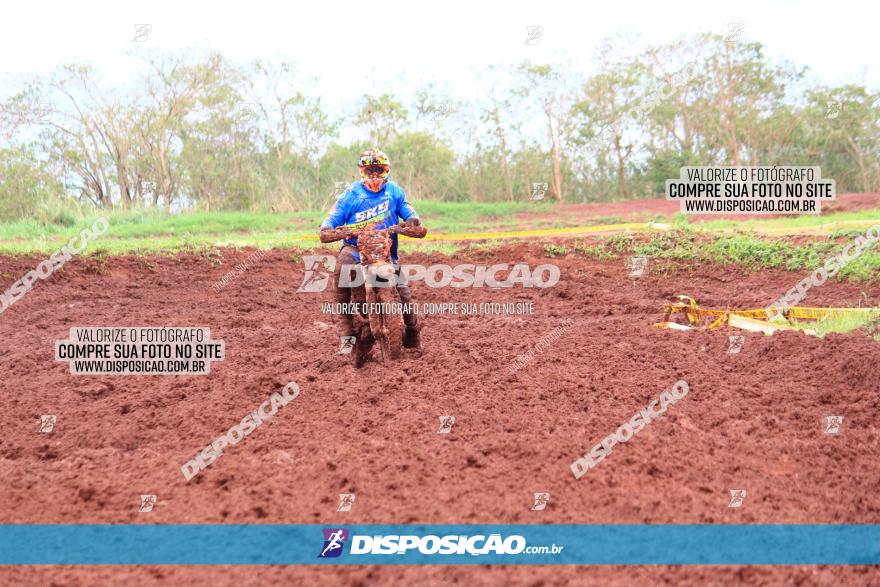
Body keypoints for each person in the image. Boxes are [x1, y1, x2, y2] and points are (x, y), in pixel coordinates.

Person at [319, 148, 425, 355]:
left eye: (379, 170)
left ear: (386, 171)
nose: (374, 175)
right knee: (342, 278)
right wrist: (331, 230)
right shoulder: (350, 196)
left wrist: (412, 223)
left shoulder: (395, 192)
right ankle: (346, 338)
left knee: (404, 295)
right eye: (370, 171)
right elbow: (328, 224)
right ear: (362, 172)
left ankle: (413, 335)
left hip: (385, 252)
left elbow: (411, 215)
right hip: (355, 248)